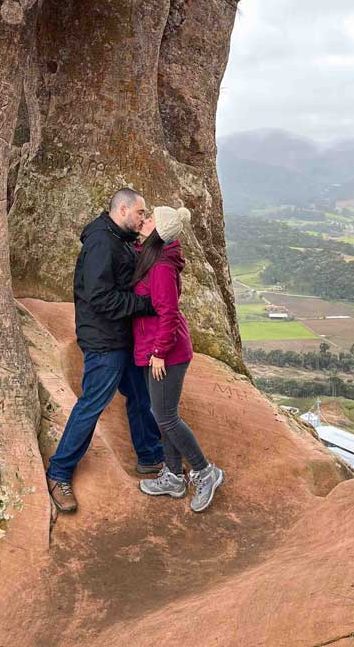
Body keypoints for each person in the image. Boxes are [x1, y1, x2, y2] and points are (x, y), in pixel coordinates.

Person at [46, 188, 165, 513]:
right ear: (123, 210)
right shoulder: (102, 242)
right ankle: (58, 473)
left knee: (141, 394)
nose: (143, 218)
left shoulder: (118, 238)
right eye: (140, 213)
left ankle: (150, 456)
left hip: (121, 335)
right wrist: (144, 305)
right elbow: (99, 297)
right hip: (103, 340)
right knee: (93, 403)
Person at [132, 205, 225, 513]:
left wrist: (158, 353)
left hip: (167, 352)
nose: (144, 221)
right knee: (162, 413)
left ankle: (204, 471)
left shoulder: (161, 266)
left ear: (160, 232)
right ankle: (173, 475)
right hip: (156, 347)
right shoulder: (151, 253)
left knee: (166, 415)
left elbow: (168, 314)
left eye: (150, 219)